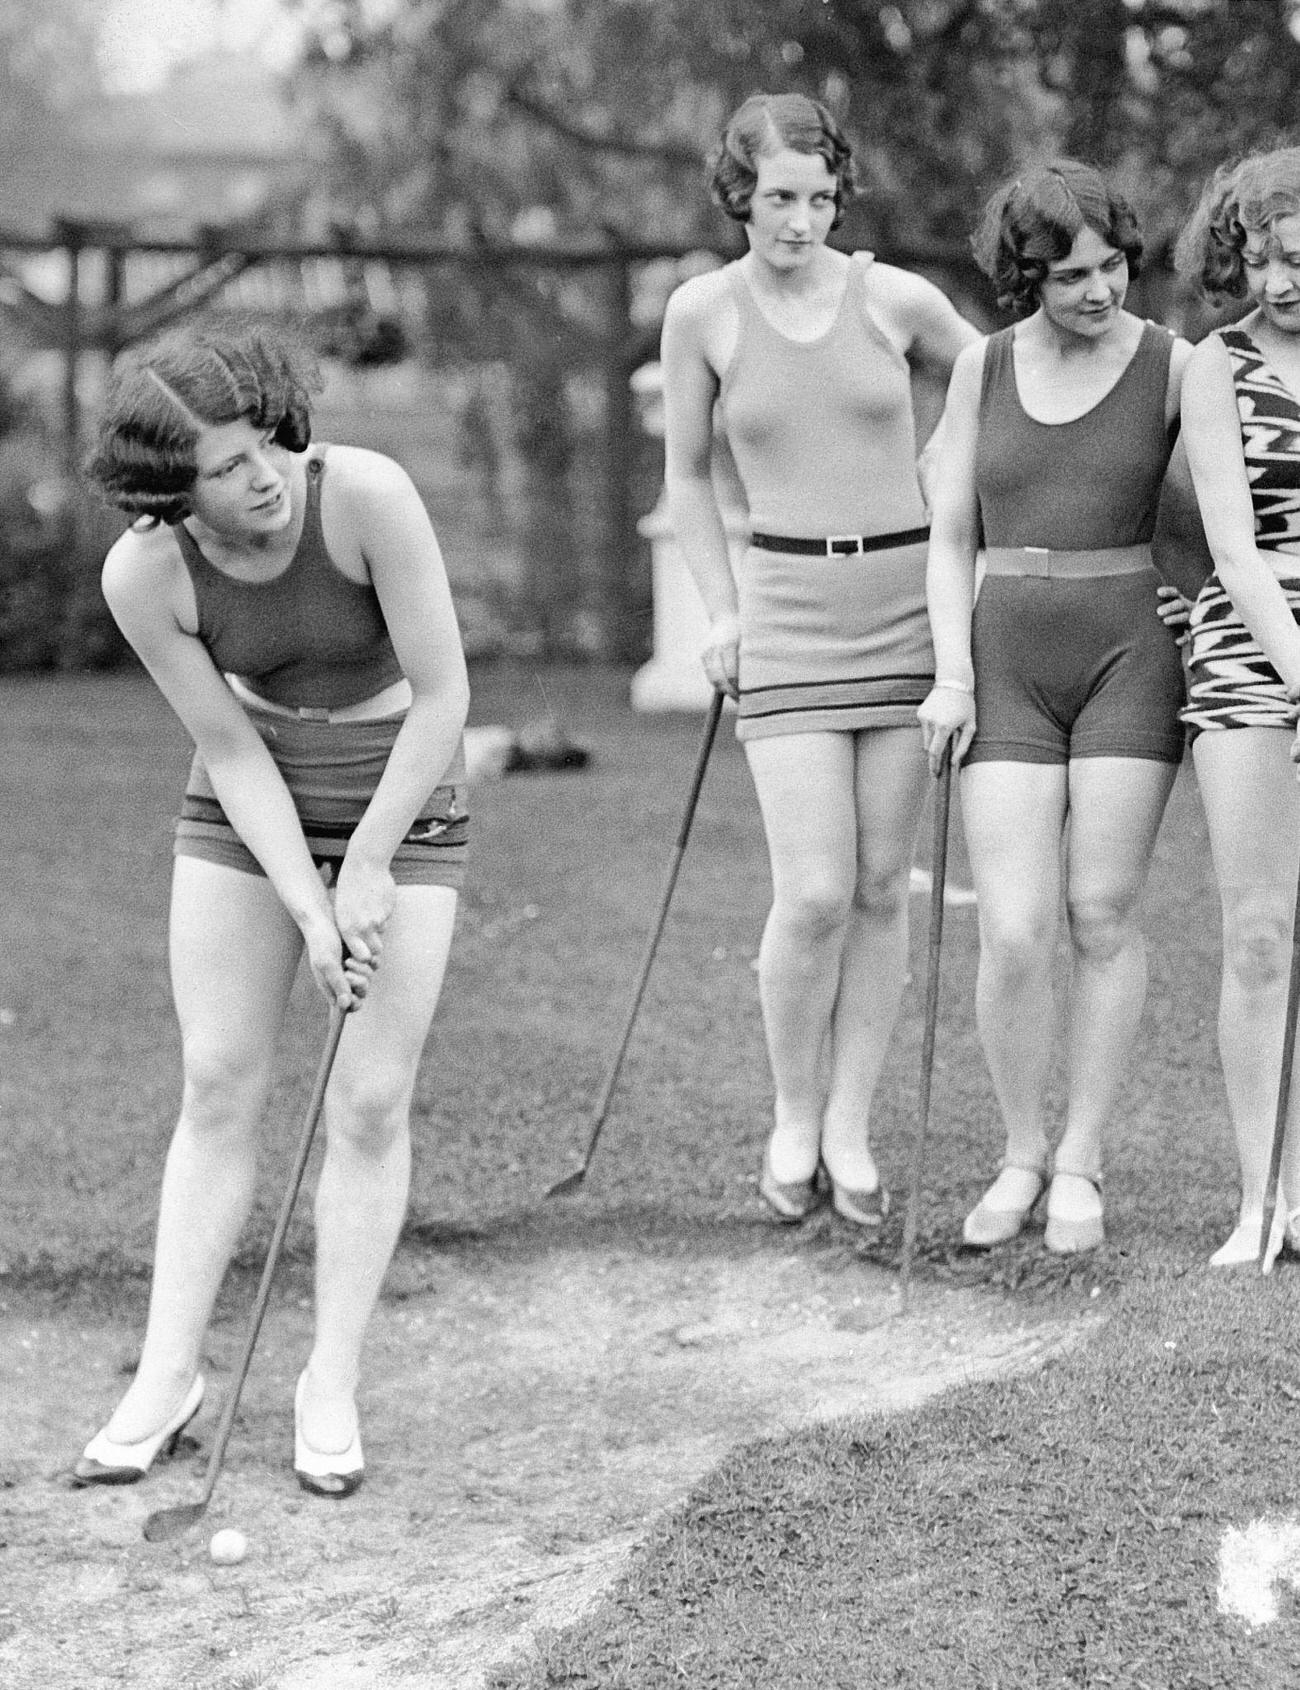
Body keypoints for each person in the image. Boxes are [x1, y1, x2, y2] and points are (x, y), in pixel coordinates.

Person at [74, 317, 470, 1493]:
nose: (268, 479)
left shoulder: (366, 496)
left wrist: (369, 867)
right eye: (228, 468)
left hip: (404, 785)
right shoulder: (144, 577)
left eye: (268, 445)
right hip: (250, 805)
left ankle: (328, 1379)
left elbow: (445, 697)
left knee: (369, 1097)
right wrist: (309, 905)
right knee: (218, 1079)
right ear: (166, 494)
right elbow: (232, 752)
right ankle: (167, 1373)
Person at [661, 92, 978, 1226]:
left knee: (883, 889)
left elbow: (993, 377)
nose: (798, 221)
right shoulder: (702, 311)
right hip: (785, 608)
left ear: (841, 196)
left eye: (817, 198)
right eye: (775, 198)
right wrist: (719, 609)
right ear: (738, 194)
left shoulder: (890, 295)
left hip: (904, 604)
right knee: (812, 892)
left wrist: (944, 458)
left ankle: (850, 1125)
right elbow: (687, 480)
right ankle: (793, 1113)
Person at [919, 161, 1190, 1254]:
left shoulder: (1172, 366)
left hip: (1132, 646)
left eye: (1113, 265)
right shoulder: (981, 369)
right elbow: (947, 535)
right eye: (1070, 274)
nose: (1098, 290)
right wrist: (949, 672)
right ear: (1023, 276)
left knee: (1100, 915)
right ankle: (1019, 1152)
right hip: (1004, 653)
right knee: (1017, 926)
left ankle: (1079, 1157)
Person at [1176, 146, 1300, 1268]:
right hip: (1249, 659)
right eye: (1263, 259)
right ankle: (1264, 1195)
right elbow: (1230, 544)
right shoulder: (1215, 366)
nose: (1282, 281)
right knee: (1260, 933)